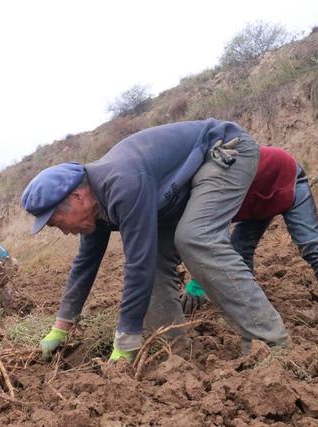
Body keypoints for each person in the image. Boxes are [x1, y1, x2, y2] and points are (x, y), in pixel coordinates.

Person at [21, 119, 289, 362]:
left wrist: (125, 341)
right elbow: (85, 264)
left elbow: (138, 264)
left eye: (57, 223)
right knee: (158, 265)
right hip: (179, 189)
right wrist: (61, 327)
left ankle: (271, 344)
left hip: (223, 150)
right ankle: (172, 356)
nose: (64, 232)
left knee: (195, 238)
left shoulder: (122, 183)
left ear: (77, 197)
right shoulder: (96, 203)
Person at [180, 146, 318, 336]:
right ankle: (249, 312)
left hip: (285, 177)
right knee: (240, 250)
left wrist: (198, 283)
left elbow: (212, 241)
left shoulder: (210, 185)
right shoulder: (195, 200)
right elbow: (206, 239)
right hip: (255, 201)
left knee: (311, 245)